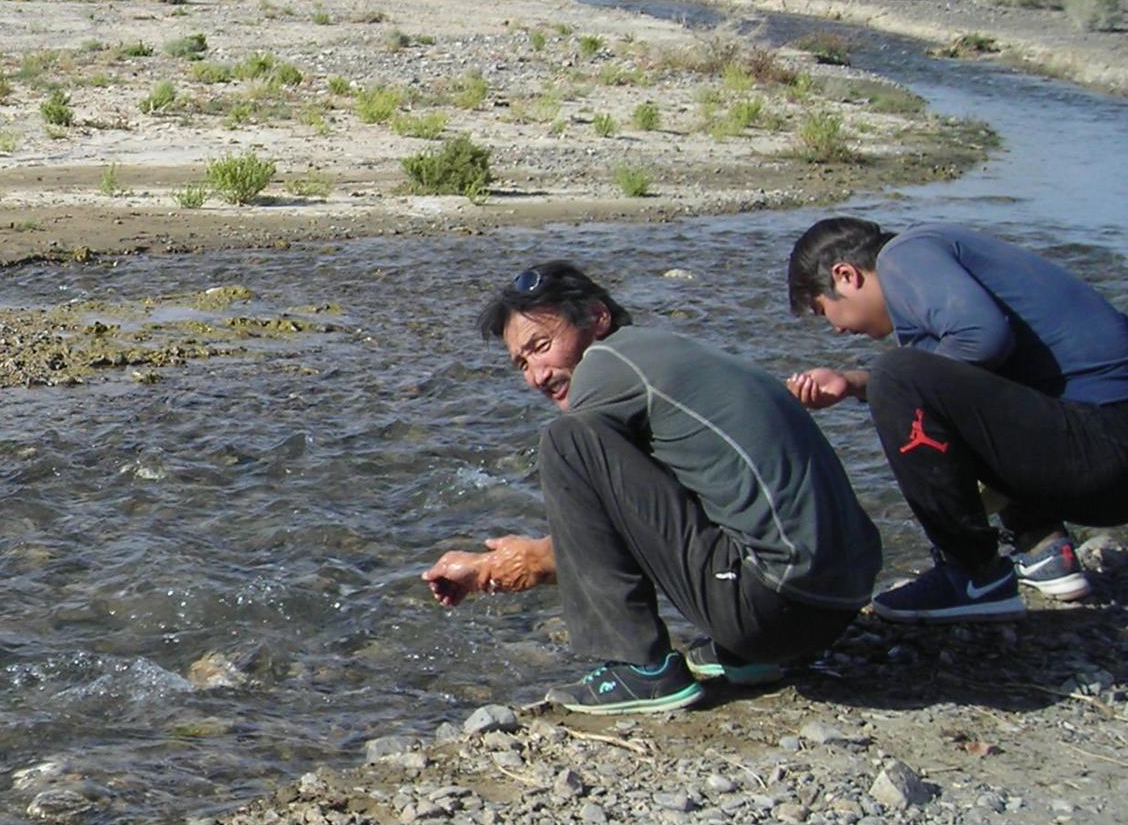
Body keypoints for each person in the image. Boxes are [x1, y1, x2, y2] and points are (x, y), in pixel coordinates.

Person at [424, 261, 881, 715]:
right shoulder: (667, 354)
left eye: (541, 346)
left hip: (775, 606)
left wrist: (503, 565)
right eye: (521, 364)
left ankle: (638, 667)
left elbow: (592, 538)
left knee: (568, 442)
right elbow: (640, 523)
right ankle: (747, 657)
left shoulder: (605, 366)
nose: (536, 376)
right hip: (838, 603)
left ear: (598, 317)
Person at [784, 215, 1128, 619]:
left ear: (845, 275)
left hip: (1103, 444)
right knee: (914, 379)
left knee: (900, 374)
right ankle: (1045, 550)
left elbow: (982, 338)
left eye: (824, 312)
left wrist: (883, 383)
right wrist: (853, 381)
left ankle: (973, 575)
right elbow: (969, 377)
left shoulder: (904, 255)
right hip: (1100, 453)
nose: (837, 330)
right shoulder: (934, 280)